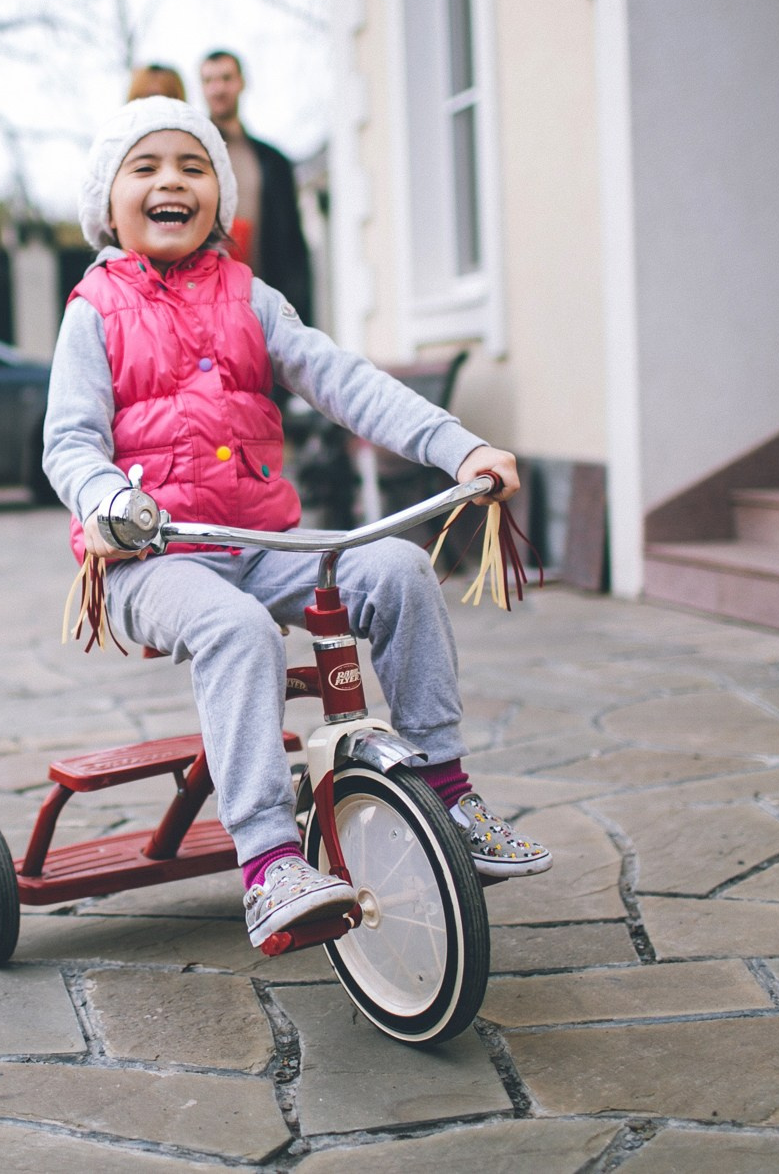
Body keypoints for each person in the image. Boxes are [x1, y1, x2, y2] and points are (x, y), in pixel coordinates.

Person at [43, 97, 551, 950]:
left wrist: (460, 449)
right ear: (109, 201)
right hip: (148, 557)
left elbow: (348, 382)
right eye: (147, 166)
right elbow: (69, 441)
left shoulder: (250, 297)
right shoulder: (93, 308)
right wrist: (107, 508)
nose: (172, 179)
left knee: (395, 568)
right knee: (238, 632)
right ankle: (270, 862)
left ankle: (447, 787)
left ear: (221, 197)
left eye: (193, 166)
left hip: (263, 544)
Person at [199, 50, 315, 328]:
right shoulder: (192, 154)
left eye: (226, 78)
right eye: (209, 80)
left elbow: (292, 244)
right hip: (206, 302)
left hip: (264, 305)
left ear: (241, 83)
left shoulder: (272, 161)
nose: (218, 88)